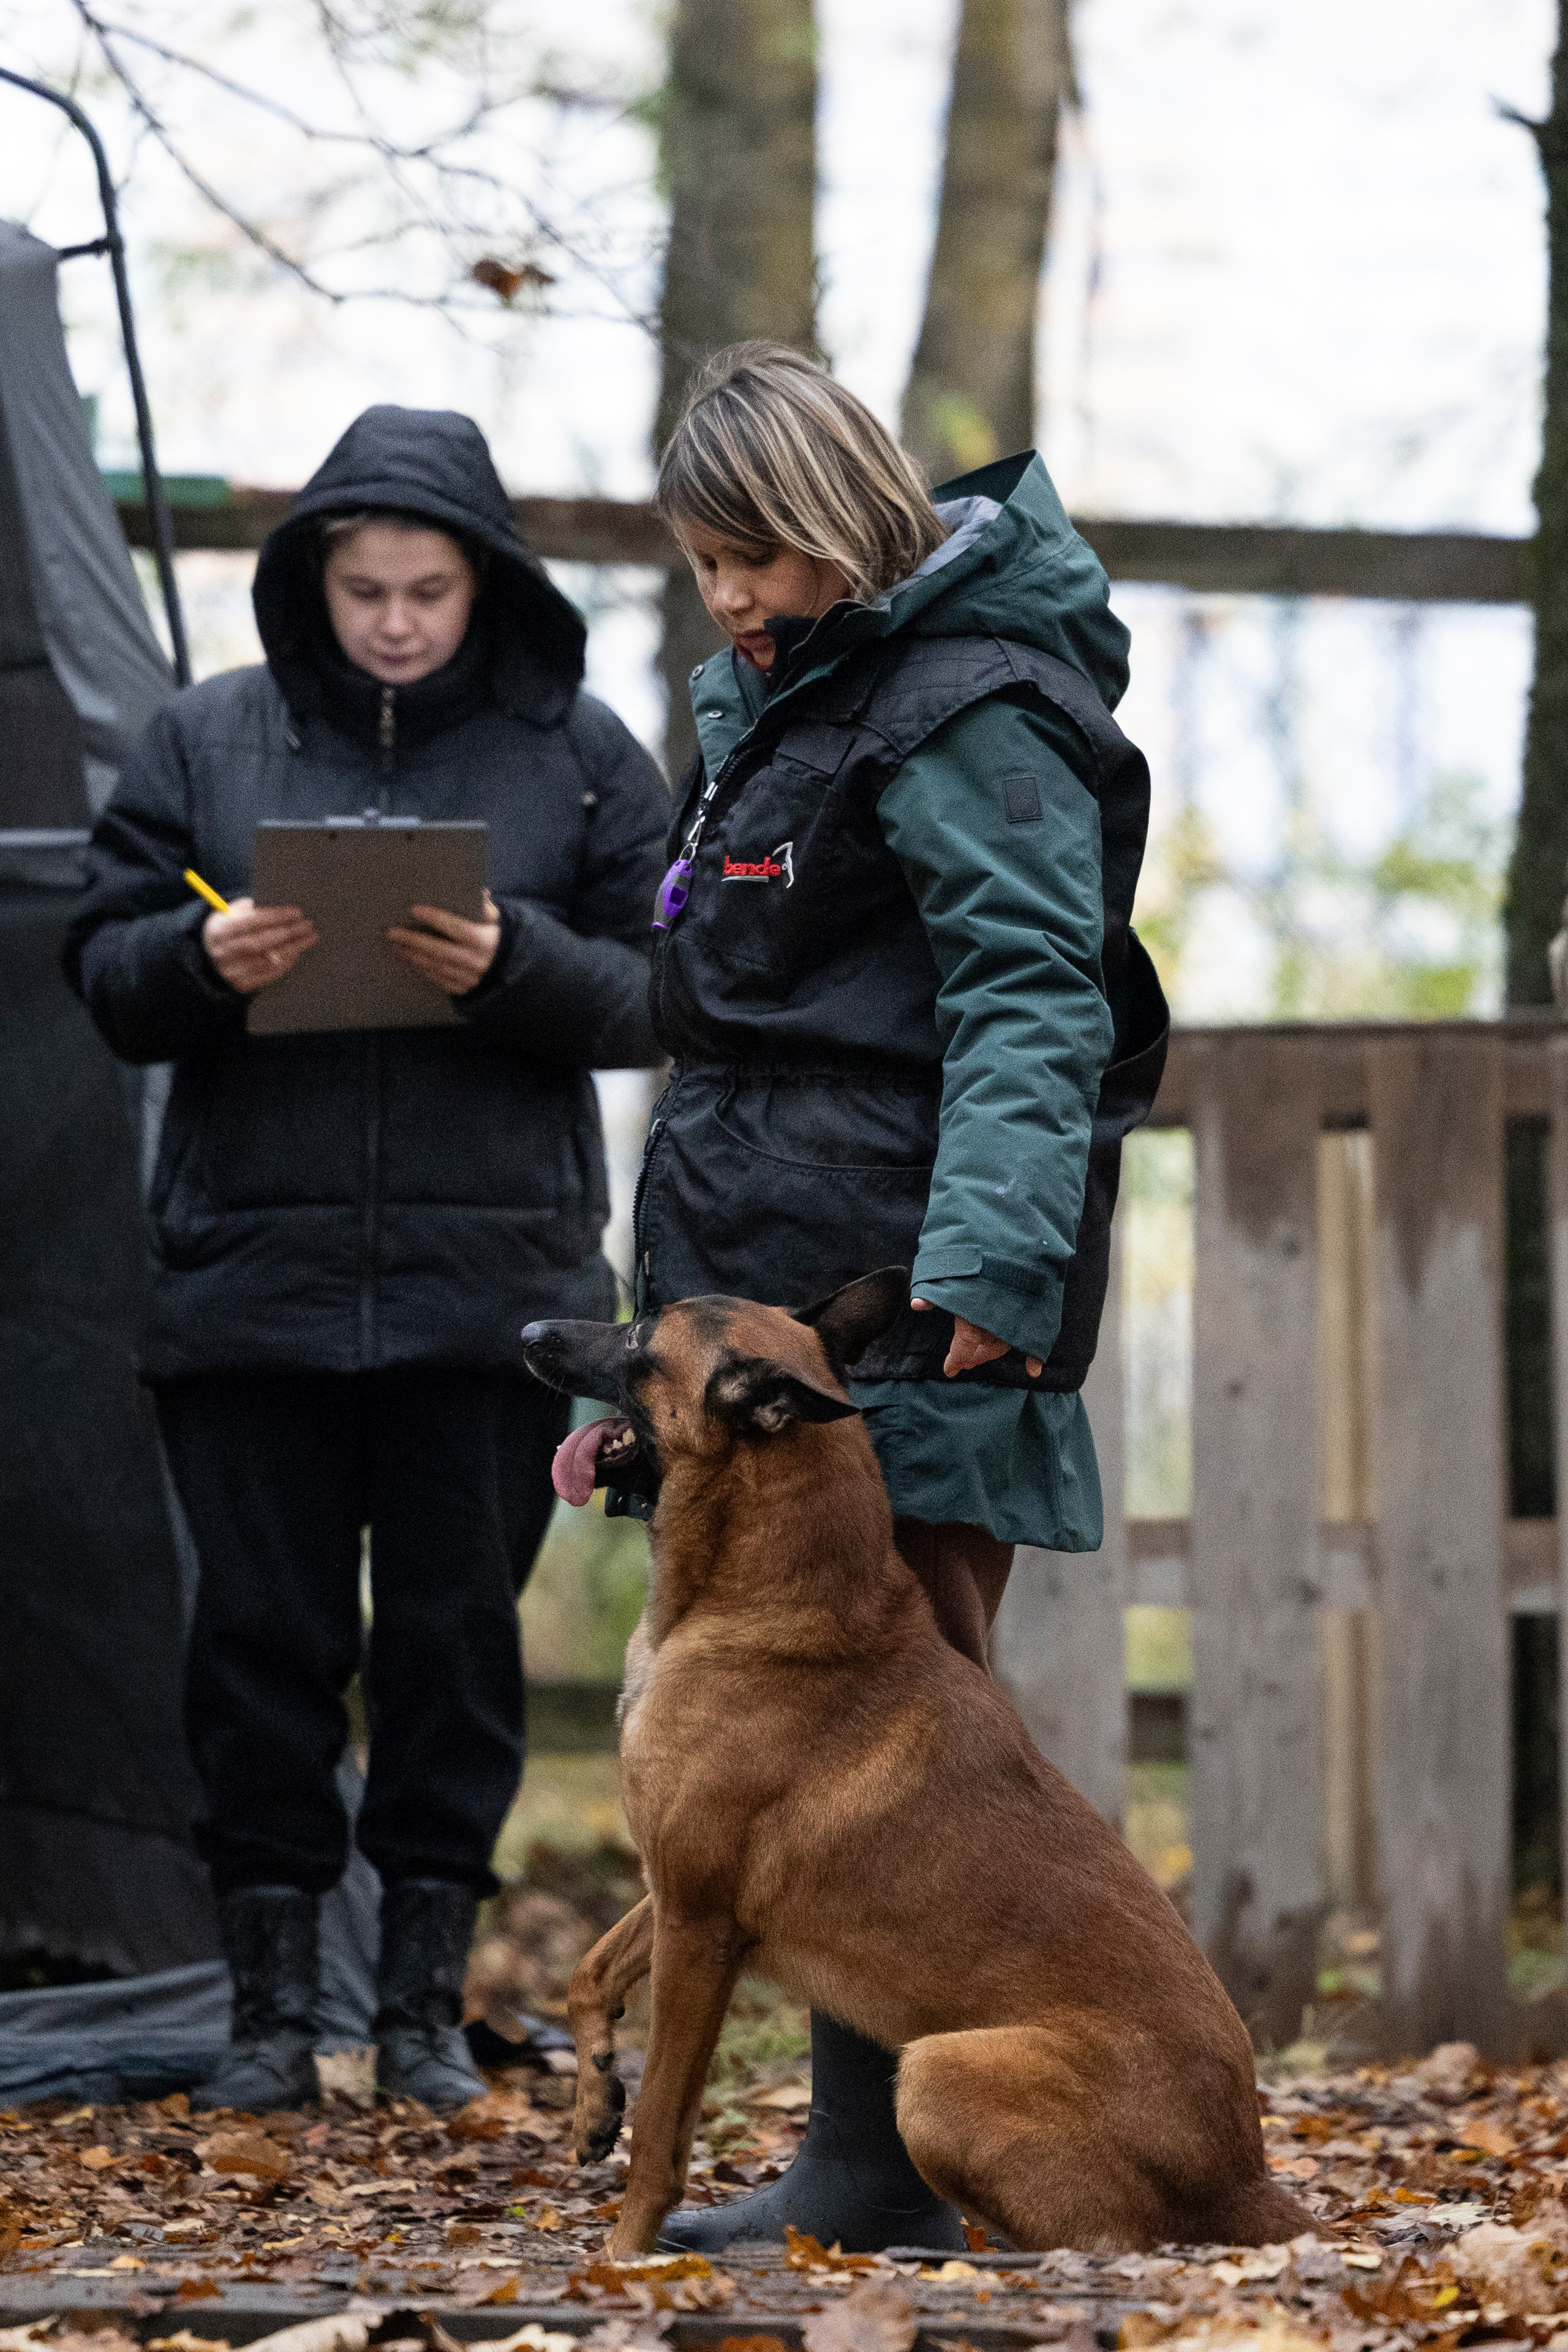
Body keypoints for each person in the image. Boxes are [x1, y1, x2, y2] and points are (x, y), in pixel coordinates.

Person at [64, 404, 669, 2114]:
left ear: (485, 584)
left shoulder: (581, 755)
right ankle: (267, 2024)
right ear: (311, 582)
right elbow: (103, 973)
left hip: (491, 1302)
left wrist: (508, 963)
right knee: (256, 1650)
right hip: (249, 1291)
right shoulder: (205, 739)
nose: (395, 620)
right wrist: (202, 959)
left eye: (426, 588)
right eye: (363, 588)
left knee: (456, 1659)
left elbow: (658, 993)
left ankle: (416, 2020)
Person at [625, 344, 1166, 2250]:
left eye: (761, 554)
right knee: (808, 1745)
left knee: (902, 1715)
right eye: (706, 566)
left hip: (916, 1290)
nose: (737, 598)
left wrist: (991, 1275)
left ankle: (877, 2171)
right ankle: (855, 2162)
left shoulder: (968, 703)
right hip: (773, 1258)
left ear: (847, 514)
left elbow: (1036, 991)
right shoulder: (783, 705)